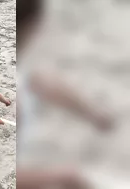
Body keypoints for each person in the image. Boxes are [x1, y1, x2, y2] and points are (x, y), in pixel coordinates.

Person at [17, 0, 114, 188]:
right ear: (33, 25)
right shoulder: (16, 104)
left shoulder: (17, 69)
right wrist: (60, 178)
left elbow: (38, 80)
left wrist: (91, 111)